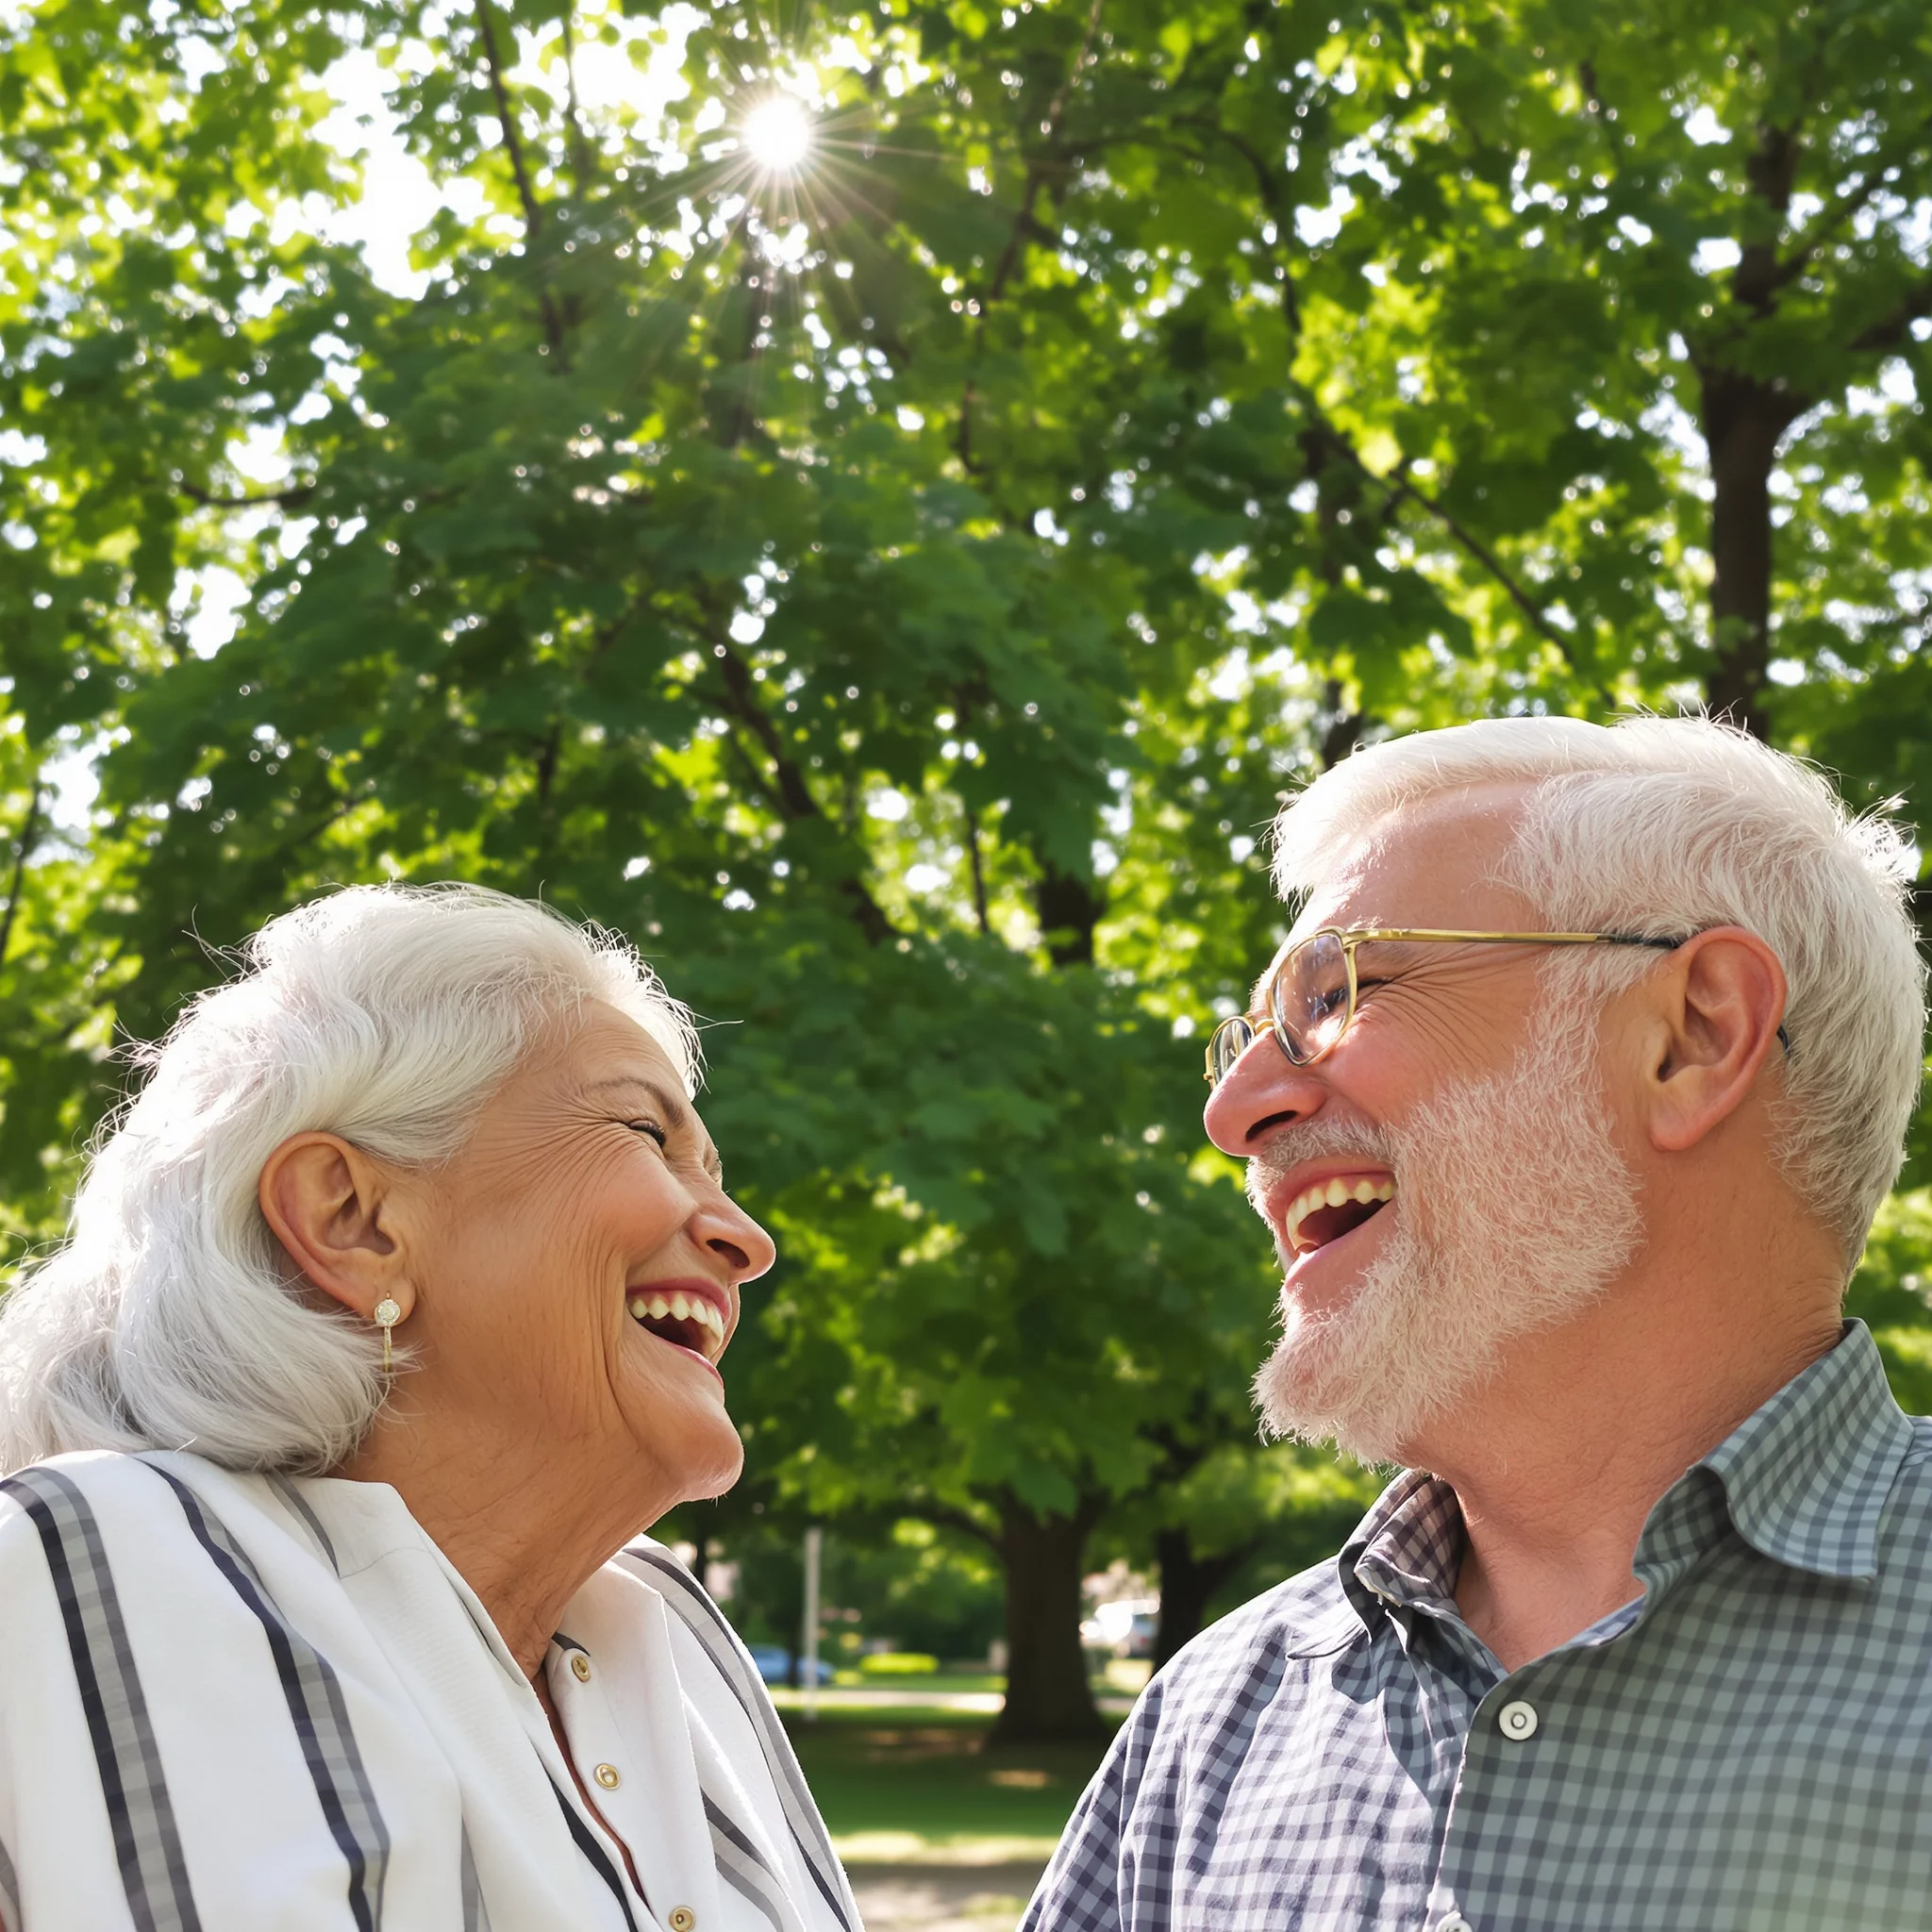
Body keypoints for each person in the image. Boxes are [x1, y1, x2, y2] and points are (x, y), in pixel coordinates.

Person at [1024, 715, 1932, 1932]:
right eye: (1245, 1037)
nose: (1234, 1110)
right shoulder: (1207, 1726)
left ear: (1692, 1035)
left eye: (1334, 991)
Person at [0, 883, 858, 1932]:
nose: (748, 1240)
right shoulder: (107, 1553)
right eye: (646, 1133)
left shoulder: (673, 1635)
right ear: (352, 1219)